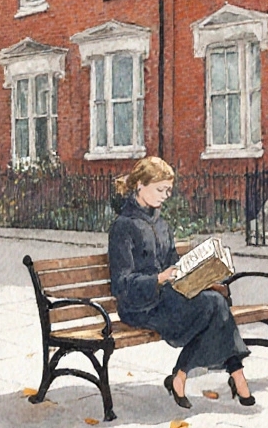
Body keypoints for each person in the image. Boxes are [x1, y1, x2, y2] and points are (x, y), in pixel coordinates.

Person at [108, 157, 254, 410]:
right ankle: (229, 376)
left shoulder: (162, 225)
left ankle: (184, 376)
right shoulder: (123, 226)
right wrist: (158, 278)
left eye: (168, 191)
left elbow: (172, 263)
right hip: (138, 306)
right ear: (140, 185)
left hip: (166, 298)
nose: (165, 196)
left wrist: (195, 276)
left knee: (216, 304)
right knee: (215, 309)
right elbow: (120, 284)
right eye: (160, 190)